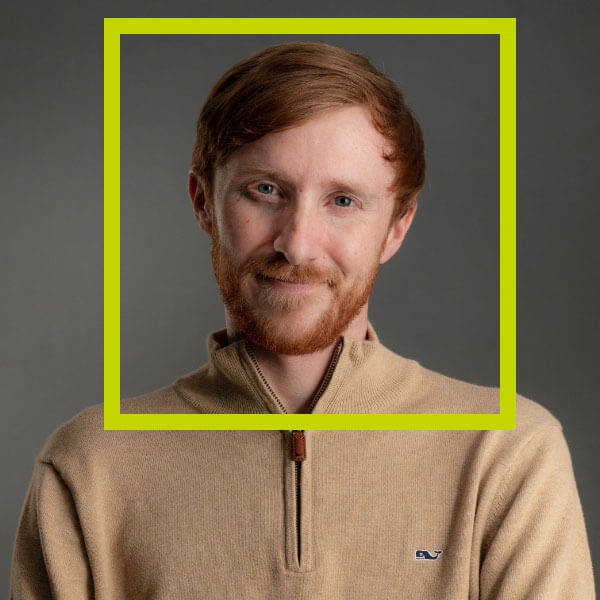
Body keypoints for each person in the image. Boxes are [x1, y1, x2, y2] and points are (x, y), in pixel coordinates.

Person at [10, 41, 595, 599]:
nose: (297, 244)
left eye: (342, 201)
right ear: (202, 203)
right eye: (265, 190)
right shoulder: (91, 465)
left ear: (396, 226)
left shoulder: (506, 452)